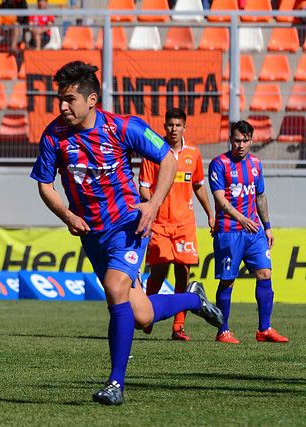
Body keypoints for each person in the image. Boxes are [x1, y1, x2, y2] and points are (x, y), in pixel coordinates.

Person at [30, 61, 224, 406]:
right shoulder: (52, 135)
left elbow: (168, 160)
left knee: (115, 287)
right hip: (92, 234)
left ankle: (115, 384)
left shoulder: (123, 127)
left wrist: (151, 206)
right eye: (59, 99)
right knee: (141, 315)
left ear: (92, 101)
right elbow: (45, 185)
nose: (62, 106)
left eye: (69, 99)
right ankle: (194, 299)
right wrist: (67, 215)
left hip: (128, 225)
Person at [208, 120, 288, 344]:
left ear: (251, 141)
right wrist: (241, 218)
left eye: (245, 141)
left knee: (265, 274)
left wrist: (268, 226)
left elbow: (260, 196)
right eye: (236, 140)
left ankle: (264, 329)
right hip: (229, 231)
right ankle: (222, 331)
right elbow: (220, 199)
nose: (240, 145)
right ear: (230, 139)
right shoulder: (219, 163)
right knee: (228, 281)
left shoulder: (256, 163)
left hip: (254, 231)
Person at [138, 108, 215, 341]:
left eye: (178, 125)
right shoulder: (153, 153)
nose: (173, 129)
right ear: (164, 126)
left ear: (185, 127)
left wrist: (211, 214)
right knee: (159, 273)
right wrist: (150, 207)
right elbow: (143, 186)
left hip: (184, 225)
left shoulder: (193, 153)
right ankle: (147, 316)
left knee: (183, 272)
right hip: (160, 224)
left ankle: (178, 327)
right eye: (170, 125)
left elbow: (199, 186)